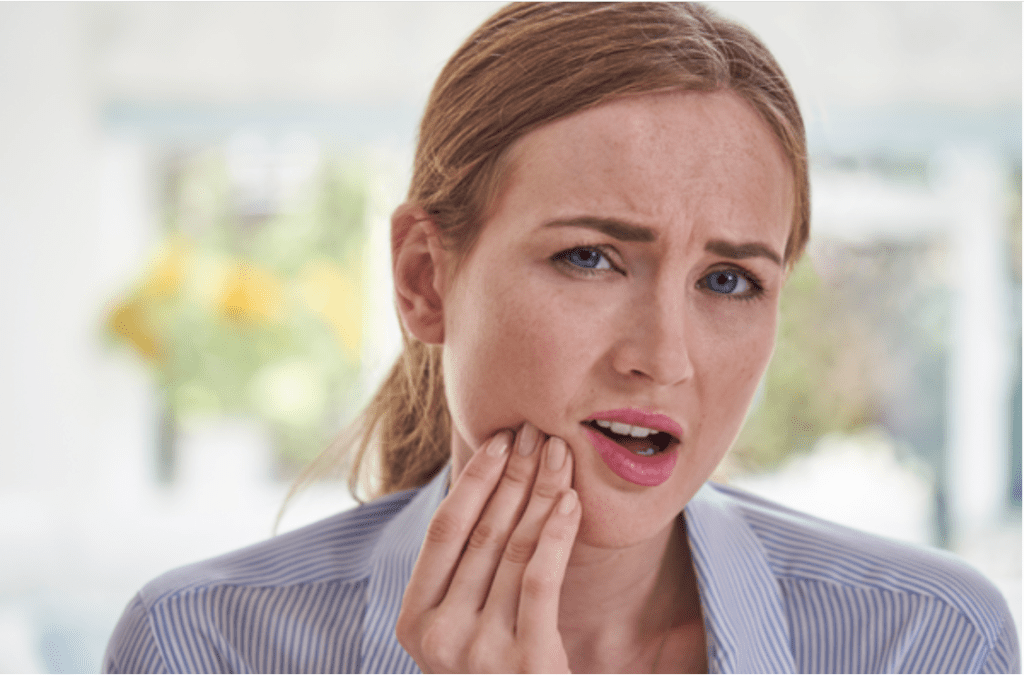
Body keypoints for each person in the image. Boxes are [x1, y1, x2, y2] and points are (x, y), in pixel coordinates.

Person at [103, 3, 1019, 673]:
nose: (663, 356)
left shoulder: (926, 641)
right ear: (425, 278)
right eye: (590, 258)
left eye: (729, 280)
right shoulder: (204, 643)